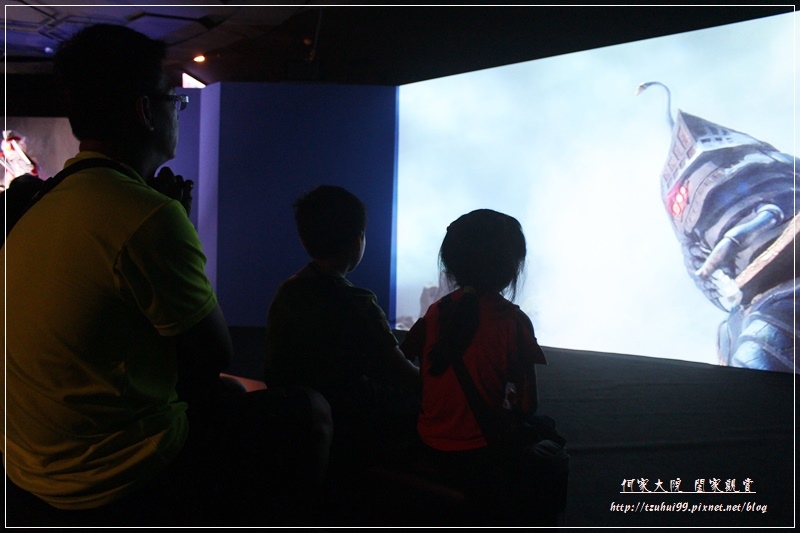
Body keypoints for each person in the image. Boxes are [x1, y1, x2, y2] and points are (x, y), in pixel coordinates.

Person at [1, 24, 331, 527]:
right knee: (309, 412)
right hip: (110, 479)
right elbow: (213, 353)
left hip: (31, 470)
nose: (178, 111)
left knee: (230, 397)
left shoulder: (47, 202)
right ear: (145, 110)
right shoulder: (148, 215)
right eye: (174, 100)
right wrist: (177, 224)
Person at [400, 208, 557, 525]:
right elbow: (527, 405)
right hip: (480, 453)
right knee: (548, 433)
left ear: (452, 265)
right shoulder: (514, 321)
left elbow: (405, 358)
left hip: (428, 441)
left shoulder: (435, 312)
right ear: (510, 268)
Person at [264, 185, 420, 479]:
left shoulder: (286, 293)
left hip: (296, 416)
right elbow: (402, 374)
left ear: (304, 239)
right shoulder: (357, 302)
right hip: (353, 421)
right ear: (358, 241)